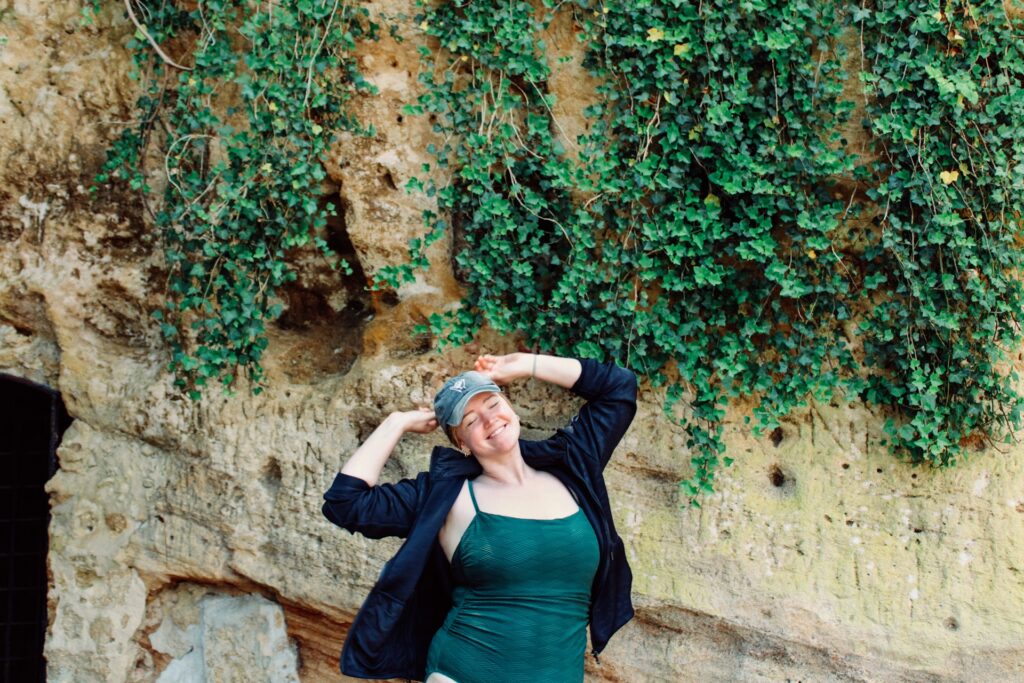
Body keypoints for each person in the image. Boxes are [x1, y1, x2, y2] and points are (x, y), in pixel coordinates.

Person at [322, 351, 638, 682]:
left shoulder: (573, 465)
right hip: (463, 672)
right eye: (470, 421)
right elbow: (346, 503)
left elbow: (619, 388)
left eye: (493, 404)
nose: (489, 420)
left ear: (509, 407)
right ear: (462, 443)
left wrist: (526, 365)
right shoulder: (443, 497)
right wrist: (396, 423)